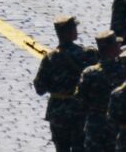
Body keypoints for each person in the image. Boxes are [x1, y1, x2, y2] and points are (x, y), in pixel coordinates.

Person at [34, 15, 95, 152]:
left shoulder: (49, 59)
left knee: (61, 148)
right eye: (74, 28)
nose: (76, 31)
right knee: (80, 146)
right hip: (79, 110)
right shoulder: (86, 55)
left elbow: (40, 88)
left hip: (57, 111)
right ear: (68, 32)